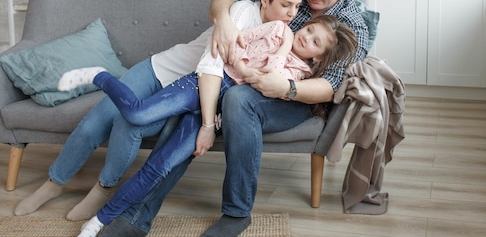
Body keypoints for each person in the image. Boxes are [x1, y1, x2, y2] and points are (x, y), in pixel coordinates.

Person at [97, 0, 370, 237]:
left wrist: (288, 87)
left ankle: (237, 213)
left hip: (296, 97)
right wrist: (223, 22)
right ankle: (137, 218)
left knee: (238, 100)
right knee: (194, 113)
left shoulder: (352, 24)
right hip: (243, 77)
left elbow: (330, 86)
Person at [13, 0, 304, 222]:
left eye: (296, 6)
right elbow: (211, 66)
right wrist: (207, 125)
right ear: (265, 0)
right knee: (96, 120)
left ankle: (102, 189)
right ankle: (54, 182)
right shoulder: (242, 15)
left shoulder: (280, 33)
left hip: (187, 93)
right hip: (159, 70)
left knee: (130, 124)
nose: (292, 14)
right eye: (286, 5)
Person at [70, 15, 357, 237]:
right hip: (210, 87)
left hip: (270, 96)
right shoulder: (282, 22)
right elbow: (234, 31)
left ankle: (236, 213)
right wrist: (265, 37)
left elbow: (299, 85)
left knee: (226, 108)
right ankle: (132, 217)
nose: (307, 37)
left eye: (316, 42)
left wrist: (280, 75)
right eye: (308, 30)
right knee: (143, 120)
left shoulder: (306, 64)